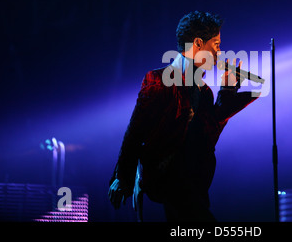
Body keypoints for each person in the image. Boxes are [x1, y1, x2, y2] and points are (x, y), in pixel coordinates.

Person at [108, 11, 260, 222]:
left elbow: (207, 138)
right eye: (216, 44)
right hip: (168, 183)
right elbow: (135, 131)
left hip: (194, 186)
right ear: (198, 43)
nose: (219, 52)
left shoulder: (205, 91)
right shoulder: (160, 81)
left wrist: (227, 92)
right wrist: (123, 177)